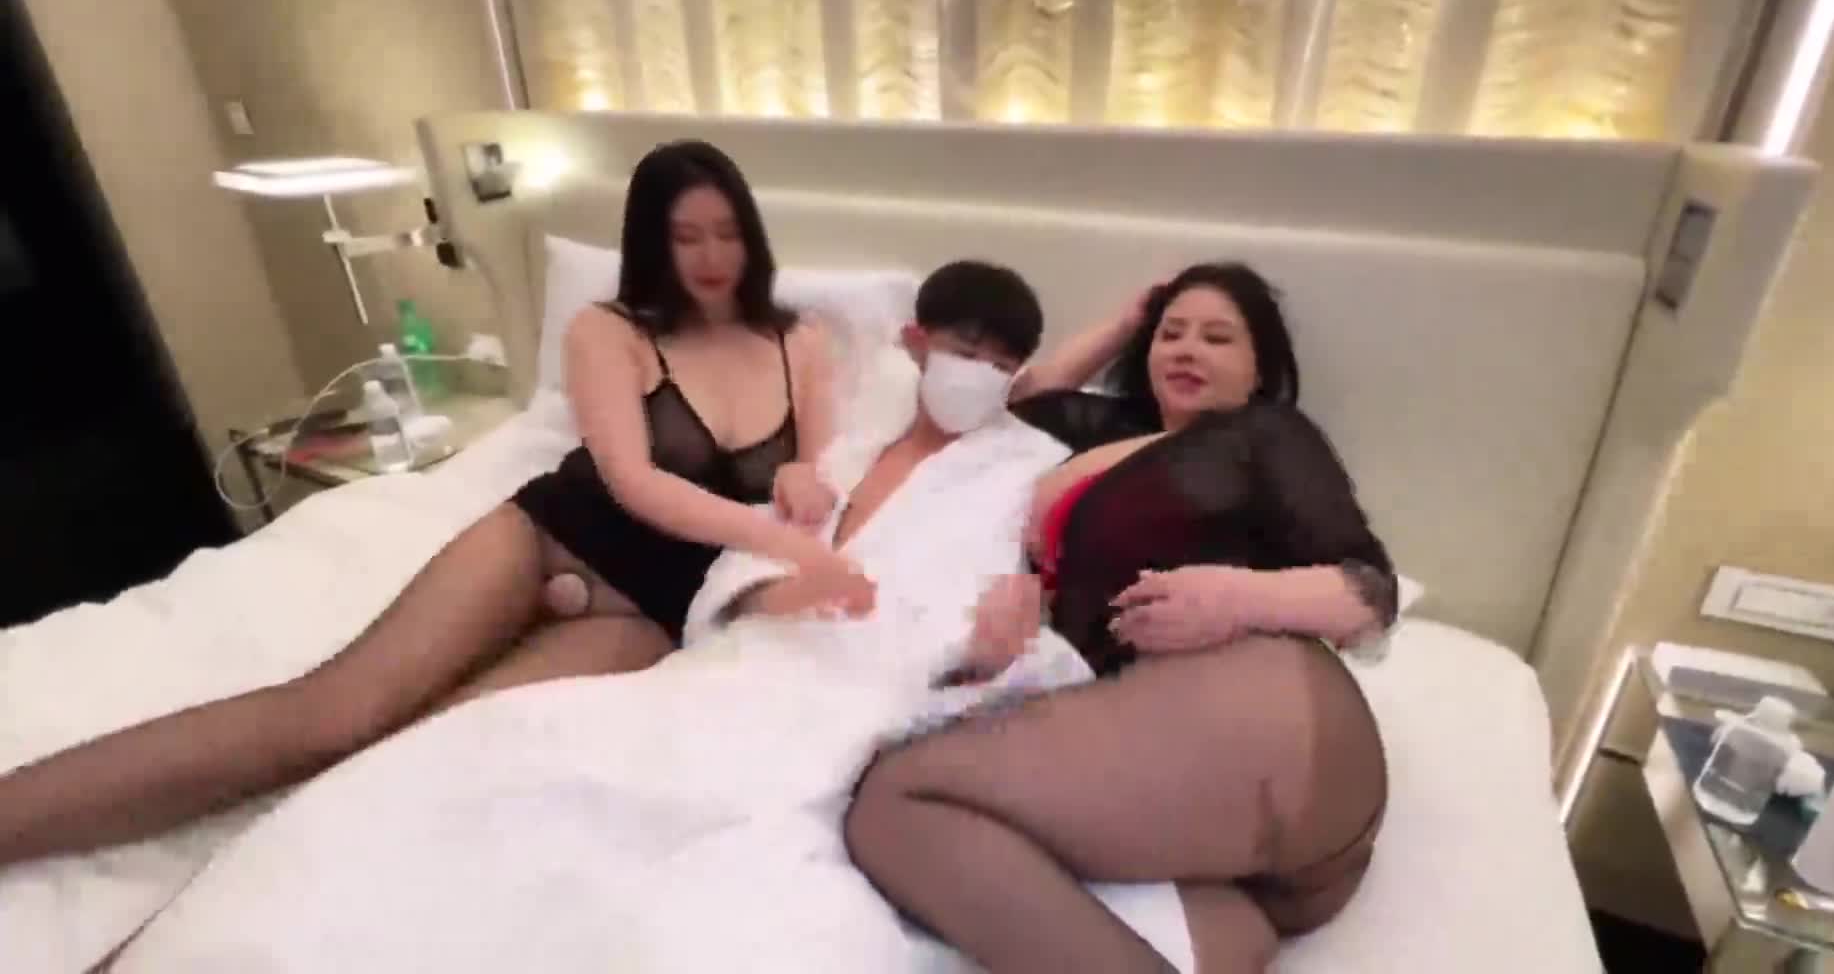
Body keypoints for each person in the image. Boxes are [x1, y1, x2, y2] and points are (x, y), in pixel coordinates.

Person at [106, 262, 1108, 972]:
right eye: (963, 347)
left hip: (842, 699)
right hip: (724, 663)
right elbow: (737, 561)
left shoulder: (1028, 468)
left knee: (653, 879)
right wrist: (774, 589)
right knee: (470, 764)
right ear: (916, 343)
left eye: (1002, 359)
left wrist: (976, 646)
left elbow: (1019, 625)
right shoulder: (841, 443)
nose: (978, 371)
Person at [0, 139, 856, 869]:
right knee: (329, 716)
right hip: (551, 536)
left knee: (407, 767)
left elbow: (820, 468)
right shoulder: (609, 330)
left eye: (727, 232)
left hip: (646, 608)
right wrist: (784, 544)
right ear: (650, 243)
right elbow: (633, 479)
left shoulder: (802, 342)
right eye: (686, 236)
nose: (711, 256)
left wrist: (800, 481)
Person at [844, 261, 1399, 973]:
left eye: (1217, 338)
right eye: (1173, 334)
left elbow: (1370, 591)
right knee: (1212, 935)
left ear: (1259, 370)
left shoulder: (1263, 433)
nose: (1188, 349)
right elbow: (1010, 401)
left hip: (1267, 709)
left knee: (896, 803)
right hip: (1234, 829)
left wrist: (1233, 598)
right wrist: (1124, 325)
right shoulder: (1103, 432)